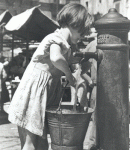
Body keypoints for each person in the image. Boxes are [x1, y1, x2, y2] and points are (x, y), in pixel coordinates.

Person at [8, 3, 93, 150]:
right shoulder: (55, 38)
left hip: (44, 95)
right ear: (75, 24)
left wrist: (81, 65)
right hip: (34, 94)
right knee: (30, 144)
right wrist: (69, 76)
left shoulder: (66, 45)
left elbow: (70, 60)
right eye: (82, 32)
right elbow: (56, 58)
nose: (83, 36)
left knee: (41, 143)